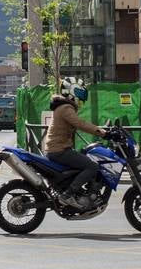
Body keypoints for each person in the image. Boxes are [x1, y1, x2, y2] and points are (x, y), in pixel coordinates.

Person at [43, 80, 106, 210]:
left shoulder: (62, 106)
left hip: (57, 148)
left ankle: (80, 192)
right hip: (59, 150)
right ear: (72, 93)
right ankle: (68, 195)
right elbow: (80, 123)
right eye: (80, 96)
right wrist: (101, 132)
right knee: (92, 166)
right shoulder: (66, 108)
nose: (81, 101)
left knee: (85, 155)